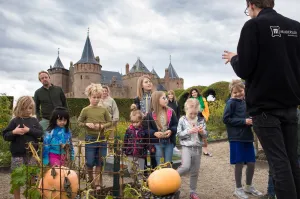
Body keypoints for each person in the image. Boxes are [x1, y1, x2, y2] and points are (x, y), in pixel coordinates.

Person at [222, 0, 300, 198]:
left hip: (265, 108)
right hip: (291, 106)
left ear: (250, 4)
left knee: (278, 163)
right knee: (292, 161)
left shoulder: (253, 26)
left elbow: (244, 68)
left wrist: (234, 58)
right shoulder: (295, 27)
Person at [223, 80, 262, 199]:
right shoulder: (230, 103)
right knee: (239, 163)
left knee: (251, 162)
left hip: (247, 136)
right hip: (236, 137)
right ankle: (238, 189)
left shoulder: (246, 102)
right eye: (235, 92)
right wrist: (243, 121)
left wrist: (251, 120)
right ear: (231, 92)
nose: (238, 94)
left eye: (240, 91)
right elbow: (226, 119)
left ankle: (248, 186)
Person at [2, 96, 43, 199]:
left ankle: (31, 196)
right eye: (25, 108)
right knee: (17, 179)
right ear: (20, 108)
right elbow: (6, 135)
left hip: (32, 155)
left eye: (30, 108)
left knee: (32, 178)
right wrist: (14, 132)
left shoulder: (34, 121)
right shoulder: (15, 121)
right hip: (17, 156)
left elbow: (40, 133)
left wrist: (29, 130)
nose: (27, 111)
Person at [78, 83, 112, 189]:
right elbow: (79, 122)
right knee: (90, 161)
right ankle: (90, 178)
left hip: (102, 139)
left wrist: (102, 126)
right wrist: (86, 124)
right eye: (94, 97)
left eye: (98, 97)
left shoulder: (103, 110)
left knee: (100, 161)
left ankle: (97, 183)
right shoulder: (85, 110)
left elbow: (110, 122)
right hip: (90, 139)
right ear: (89, 97)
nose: (96, 99)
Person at [177, 98, 207, 199]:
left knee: (195, 171)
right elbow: (179, 134)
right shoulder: (182, 120)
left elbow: (205, 135)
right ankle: (172, 177)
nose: (193, 115)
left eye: (195, 113)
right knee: (185, 166)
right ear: (186, 109)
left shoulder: (201, 120)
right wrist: (188, 131)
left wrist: (202, 132)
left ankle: (193, 192)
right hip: (186, 147)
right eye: (191, 113)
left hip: (198, 148)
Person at [144, 91, 178, 166]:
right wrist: (154, 133)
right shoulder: (149, 115)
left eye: (166, 97)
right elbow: (146, 129)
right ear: (156, 100)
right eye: (164, 98)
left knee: (168, 163)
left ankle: (168, 177)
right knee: (159, 164)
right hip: (157, 143)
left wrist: (171, 131)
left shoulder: (171, 112)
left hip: (169, 142)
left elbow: (176, 125)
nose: (166, 99)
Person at [133, 75, 157, 169]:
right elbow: (136, 113)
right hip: (142, 126)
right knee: (142, 150)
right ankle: (144, 172)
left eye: (150, 81)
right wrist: (141, 114)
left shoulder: (156, 96)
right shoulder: (137, 98)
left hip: (154, 125)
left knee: (153, 150)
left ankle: (154, 170)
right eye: (146, 82)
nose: (149, 83)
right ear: (141, 85)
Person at [123, 104, 147, 180]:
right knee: (130, 169)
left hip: (141, 153)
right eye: (133, 122)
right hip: (130, 152)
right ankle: (134, 181)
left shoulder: (143, 130)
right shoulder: (129, 130)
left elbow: (146, 141)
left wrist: (150, 148)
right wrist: (123, 149)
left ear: (141, 121)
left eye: (137, 122)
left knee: (140, 170)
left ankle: (140, 185)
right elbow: (125, 140)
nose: (135, 124)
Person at [188, 88, 212, 157]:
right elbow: (187, 111)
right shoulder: (190, 101)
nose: (194, 94)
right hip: (193, 119)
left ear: (197, 92)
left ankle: (205, 151)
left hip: (201, 119)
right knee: (194, 135)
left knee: (204, 135)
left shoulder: (203, 99)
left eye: (195, 92)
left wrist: (206, 117)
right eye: (192, 93)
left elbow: (206, 109)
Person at [100, 85, 120, 155]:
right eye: (103, 91)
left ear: (108, 92)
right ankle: (102, 154)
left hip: (110, 123)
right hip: (100, 124)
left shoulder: (111, 100)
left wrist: (115, 120)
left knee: (111, 140)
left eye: (106, 91)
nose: (104, 92)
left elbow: (115, 110)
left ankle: (110, 154)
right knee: (101, 139)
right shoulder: (97, 99)